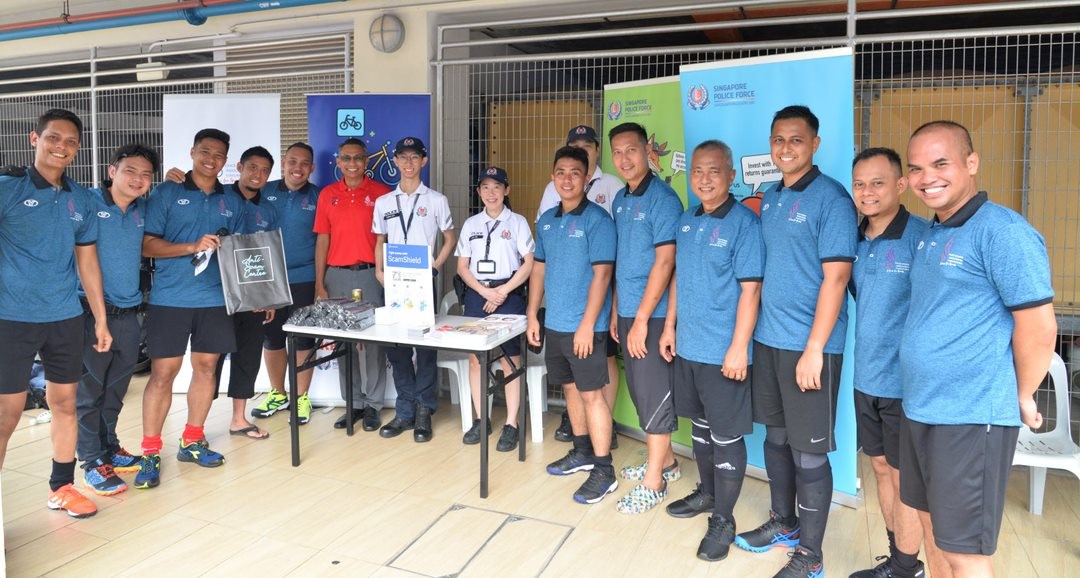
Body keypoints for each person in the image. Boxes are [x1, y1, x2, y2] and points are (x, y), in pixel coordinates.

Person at [900, 121, 1056, 577]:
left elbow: (1039, 327)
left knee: (966, 553)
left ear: (972, 163)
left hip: (970, 417)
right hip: (922, 409)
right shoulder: (932, 233)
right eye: (916, 168)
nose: (927, 177)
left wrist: (1022, 394)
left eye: (940, 163)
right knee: (935, 535)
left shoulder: (1003, 232)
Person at [734, 105, 857, 578]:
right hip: (769, 340)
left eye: (797, 140)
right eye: (779, 140)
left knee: (809, 452)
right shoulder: (773, 196)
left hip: (813, 348)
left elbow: (836, 277)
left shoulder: (832, 199)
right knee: (777, 440)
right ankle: (782, 524)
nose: (786, 149)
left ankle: (811, 553)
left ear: (815, 144)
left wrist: (813, 350)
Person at [0, 108, 112, 518]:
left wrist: (99, 317)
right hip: (10, 317)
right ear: (35, 139)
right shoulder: (6, 189)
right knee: (6, 415)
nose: (60, 147)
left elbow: (88, 263)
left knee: (64, 403)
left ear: (78, 148)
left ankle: (61, 487)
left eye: (69, 141)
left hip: (64, 317)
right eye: (52, 138)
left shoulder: (81, 199)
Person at [659, 140, 763, 561]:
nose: (704, 179)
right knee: (699, 429)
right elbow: (679, 280)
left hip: (724, 352)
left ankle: (724, 518)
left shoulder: (743, 224)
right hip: (688, 347)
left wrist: (739, 348)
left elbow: (751, 289)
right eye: (698, 171)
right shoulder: (685, 222)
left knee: (725, 434)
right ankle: (706, 494)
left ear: (731, 176)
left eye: (714, 171)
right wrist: (669, 327)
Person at [136, 128, 248, 489]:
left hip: (215, 300)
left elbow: (243, 251)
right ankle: (151, 451)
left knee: (206, 368)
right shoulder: (167, 192)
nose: (210, 159)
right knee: (164, 373)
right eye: (204, 151)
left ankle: (192, 439)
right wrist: (190, 247)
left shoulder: (231, 201)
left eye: (218, 154)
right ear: (192, 152)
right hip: (170, 298)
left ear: (225, 160)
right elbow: (147, 245)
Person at [848, 147, 938, 578]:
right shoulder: (850, 239)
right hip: (866, 378)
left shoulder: (923, 238)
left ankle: (907, 569)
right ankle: (900, 559)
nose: (867, 192)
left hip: (907, 388)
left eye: (878, 183)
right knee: (881, 469)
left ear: (901, 185)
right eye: (860, 184)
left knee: (909, 482)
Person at [165, 146, 278, 439]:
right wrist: (170, 178)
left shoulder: (268, 209)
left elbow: (266, 256)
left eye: (265, 170)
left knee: (248, 353)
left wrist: (264, 295)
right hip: (213, 294)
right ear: (238, 167)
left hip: (249, 297)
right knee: (208, 362)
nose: (258, 174)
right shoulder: (219, 196)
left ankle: (239, 419)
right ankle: (196, 427)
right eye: (252, 167)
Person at [530, 146, 618, 504]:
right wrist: (533, 314)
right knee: (568, 389)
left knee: (591, 395)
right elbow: (538, 268)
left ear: (587, 179)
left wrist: (587, 326)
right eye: (561, 172)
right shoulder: (547, 220)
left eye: (575, 173)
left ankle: (604, 470)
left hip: (586, 328)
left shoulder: (598, 220)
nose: (567, 179)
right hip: (556, 322)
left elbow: (603, 275)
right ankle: (582, 452)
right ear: (553, 178)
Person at [607, 121, 683, 515]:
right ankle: (667, 462)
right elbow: (622, 259)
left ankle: (654, 482)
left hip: (650, 318)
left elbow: (666, 261)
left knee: (653, 395)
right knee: (639, 393)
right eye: (617, 152)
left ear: (646, 152)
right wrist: (620, 310)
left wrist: (640, 320)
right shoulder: (620, 200)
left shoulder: (663, 200)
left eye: (631, 150)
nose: (624, 158)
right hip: (629, 312)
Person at [77, 144, 159, 496]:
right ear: (112, 171)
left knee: (116, 388)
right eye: (130, 171)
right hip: (92, 313)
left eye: (146, 175)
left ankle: (110, 447)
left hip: (130, 312)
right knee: (90, 390)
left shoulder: (143, 210)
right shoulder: (89, 203)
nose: (138, 180)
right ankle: (92, 461)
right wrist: (99, 318)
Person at [373, 137, 455, 443]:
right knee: (397, 349)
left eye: (414, 157)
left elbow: (450, 239)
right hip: (392, 284)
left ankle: (424, 410)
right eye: (403, 157)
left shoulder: (436, 200)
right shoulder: (384, 202)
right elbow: (379, 241)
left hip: (422, 283)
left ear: (424, 161)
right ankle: (404, 410)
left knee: (425, 348)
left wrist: (434, 267)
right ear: (395, 161)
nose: (409, 163)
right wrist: (380, 272)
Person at [313, 137, 391, 432]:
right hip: (337, 276)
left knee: (372, 343)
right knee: (343, 343)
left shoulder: (382, 194)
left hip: (373, 275)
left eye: (358, 158)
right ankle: (353, 404)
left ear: (367, 161)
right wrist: (320, 283)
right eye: (347, 158)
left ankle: (372, 405)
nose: (352, 163)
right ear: (338, 161)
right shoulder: (327, 195)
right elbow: (322, 240)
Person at [455, 166, 534, 452]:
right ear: (479, 192)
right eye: (485, 188)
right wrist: (484, 291)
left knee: (510, 359)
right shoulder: (471, 225)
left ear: (506, 191)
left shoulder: (518, 223)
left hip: (509, 294)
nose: (491, 193)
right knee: (476, 359)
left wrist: (502, 291)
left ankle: (511, 423)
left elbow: (528, 262)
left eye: (497, 187)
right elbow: (462, 266)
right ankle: (481, 419)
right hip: (478, 294)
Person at [254, 142, 321, 425]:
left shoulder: (319, 196)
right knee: (272, 338)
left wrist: (320, 282)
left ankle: (301, 397)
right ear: (283, 162)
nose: (298, 168)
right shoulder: (263, 192)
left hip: (305, 277)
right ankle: (278, 393)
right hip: (269, 279)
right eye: (293, 161)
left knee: (304, 339)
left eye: (305, 163)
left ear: (312, 168)